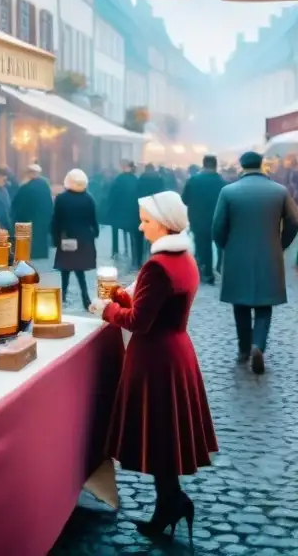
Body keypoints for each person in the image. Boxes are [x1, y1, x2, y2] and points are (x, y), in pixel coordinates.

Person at [89, 190, 217, 542]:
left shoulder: (157, 266)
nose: (141, 227)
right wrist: (126, 297)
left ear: (162, 224)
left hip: (155, 358)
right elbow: (158, 307)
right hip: (176, 351)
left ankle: (171, 502)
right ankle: (170, 502)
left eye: (146, 221)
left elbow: (139, 322)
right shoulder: (184, 260)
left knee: (159, 433)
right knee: (165, 434)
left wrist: (105, 309)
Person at [212, 151, 298, 374]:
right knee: (264, 304)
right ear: (261, 165)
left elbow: (217, 227)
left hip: (237, 254)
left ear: (241, 166)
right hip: (269, 253)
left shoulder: (228, 192)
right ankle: (258, 345)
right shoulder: (279, 191)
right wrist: (281, 244)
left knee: (240, 303)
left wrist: (226, 246)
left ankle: (243, 349)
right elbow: (295, 220)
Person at [51, 169, 100, 306]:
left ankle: (63, 296)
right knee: (80, 269)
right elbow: (93, 220)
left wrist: (56, 239)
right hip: (84, 239)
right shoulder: (89, 198)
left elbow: (56, 221)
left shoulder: (61, 199)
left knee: (65, 269)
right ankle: (85, 298)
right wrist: (95, 233)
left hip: (67, 238)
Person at [182, 155, 226, 284]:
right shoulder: (221, 182)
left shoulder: (193, 180)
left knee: (202, 245)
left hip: (197, 218)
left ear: (203, 164)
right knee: (218, 245)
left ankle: (204, 271)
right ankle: (215, 268)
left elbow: (184, 199)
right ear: (215, 165)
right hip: (217, 218)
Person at [12, 164, 54, 260]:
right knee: (41, 237)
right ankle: (41, 253)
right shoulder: (45, 186)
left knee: (32, 240)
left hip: (29, 220)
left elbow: (18, 205)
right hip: (43, 219)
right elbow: (50, 204)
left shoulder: (25, 187)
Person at [108, 161, 140, 264]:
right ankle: (134, 254)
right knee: (133, 233)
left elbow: (112, 195)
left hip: (119, 211)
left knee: (115, 230)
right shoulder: (135, 179)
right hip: (132, 211)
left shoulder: (118, 179)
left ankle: (115, 251)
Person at [137, 164, 165, 262]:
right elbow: (162, 191)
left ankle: (139, 259)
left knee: (141, 233)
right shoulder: (158, 178)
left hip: (144, 206)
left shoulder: (141, 178)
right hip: (156, 207)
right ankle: (155, 254)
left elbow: (138, 191)